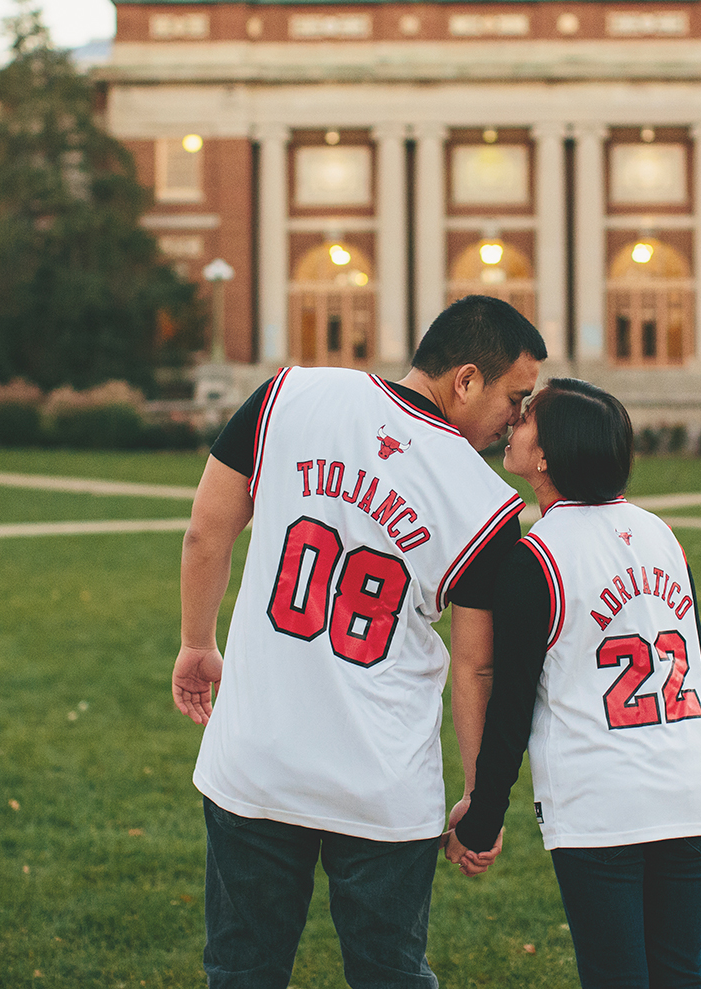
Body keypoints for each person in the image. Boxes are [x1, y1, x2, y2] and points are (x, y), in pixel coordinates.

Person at [172, 295, 545, 989]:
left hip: (257, 760)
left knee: (241, 973)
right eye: (515, 397)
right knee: (391, 975)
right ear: (465, 379)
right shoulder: (485, 503)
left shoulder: (289, 393)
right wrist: (477, 792)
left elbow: (205, 533)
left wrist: (198, 641)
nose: (517, 420)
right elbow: (475, 664)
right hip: (382, 777)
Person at [451, 379, 701, 989]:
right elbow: (699, 669)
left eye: (527, 421)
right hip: (686, 789)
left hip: (601, 802)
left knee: (616, 977)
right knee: (680, 972)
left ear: (548, 456)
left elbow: (512, 702)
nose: (513, 426)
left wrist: (481, 817)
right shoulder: (661, 533)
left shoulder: (538, 556)